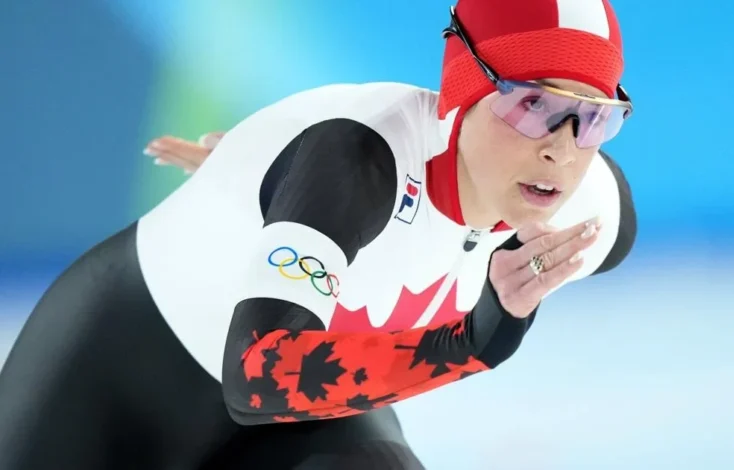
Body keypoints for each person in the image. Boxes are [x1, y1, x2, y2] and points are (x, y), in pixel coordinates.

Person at [0, 0, 637, 468]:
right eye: (532, 105)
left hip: (296, 429)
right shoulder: (360, 160)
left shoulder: (582, 205)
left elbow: (614, 220)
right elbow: (257, 376)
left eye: (592, 119)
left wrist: (266, 173)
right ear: (466, 90)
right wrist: (470, 342)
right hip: (117, 376)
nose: (561, 150)